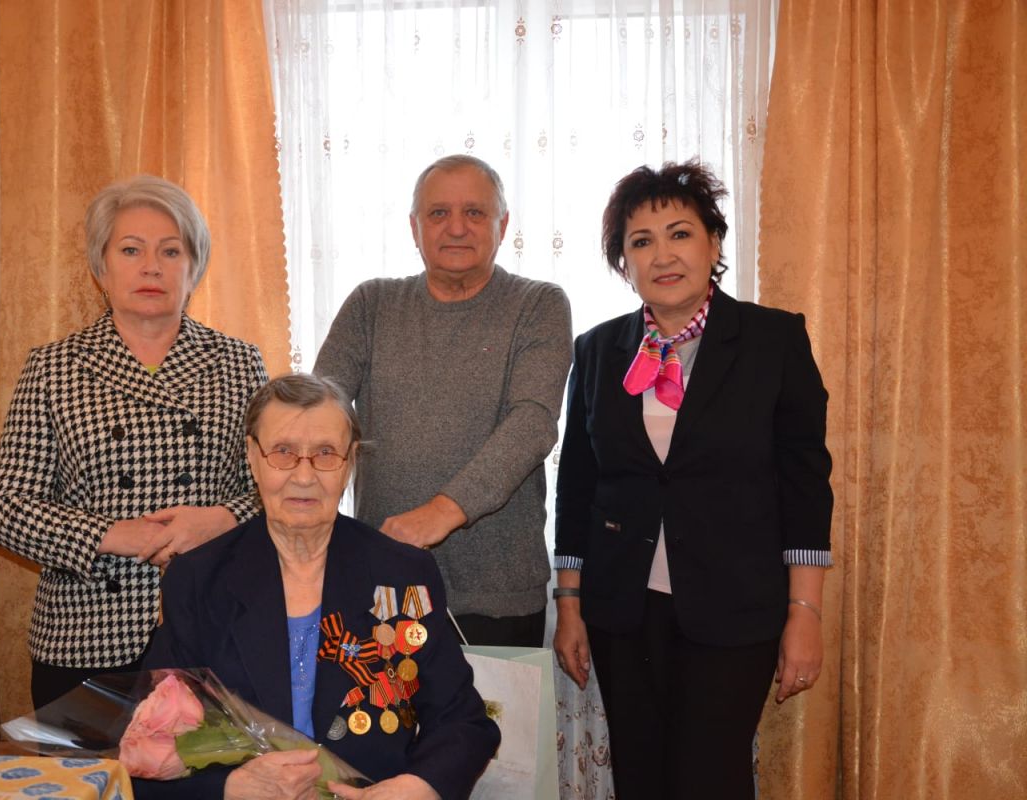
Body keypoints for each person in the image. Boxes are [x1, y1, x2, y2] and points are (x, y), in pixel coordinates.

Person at [552, 160, 833, 799]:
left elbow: (805, 486)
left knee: (710, 777)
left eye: (680, 233)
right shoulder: (597, 350)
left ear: (713, 242)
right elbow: (578, 486)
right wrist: (569, 605)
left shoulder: (773, 340)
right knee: (641, 778)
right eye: (641, 241)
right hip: (624, 611)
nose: (663, 255)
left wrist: (805, 613)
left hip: (735, 606)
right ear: (624, 262)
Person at [0, 175, 267, 709]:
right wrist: (114, 534)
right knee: (92, 767)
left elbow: (276, 488)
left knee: (213, 766)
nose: (151, 267)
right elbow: (4, 509)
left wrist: (222, 518)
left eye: (171, 251)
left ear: (194, 268)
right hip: (84, 635)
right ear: (101, 268)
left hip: (211, 627)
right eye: (131, 250)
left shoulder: (238, 362)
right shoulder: (54, 367)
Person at [141, 373, 500, 800]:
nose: (304, 475)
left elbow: (462, 721)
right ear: (252, 457)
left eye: (326, 453)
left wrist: (419, 786)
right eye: (283, 452)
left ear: (350, 462)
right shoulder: (199, 579)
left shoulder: (402, 573)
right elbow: (147, 745)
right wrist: (228, 787)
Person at [314, 154, 572, 647]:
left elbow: (532, 422)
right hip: (382, 582)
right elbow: (321, 408)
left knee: (493, 706)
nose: (456, 228)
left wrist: (442, 511)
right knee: (379, 703)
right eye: (438, 213)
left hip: (499, 595)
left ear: (503, 225)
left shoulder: (538, 304)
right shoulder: (371, 304)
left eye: (474, 212)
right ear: (414, 227)